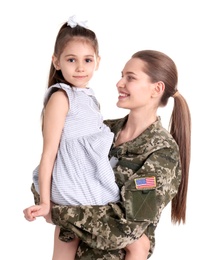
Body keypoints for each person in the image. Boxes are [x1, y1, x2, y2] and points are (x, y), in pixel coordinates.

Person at [30, 49, 191, 259]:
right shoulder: (102, 131)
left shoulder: (162, 153)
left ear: (156, 89)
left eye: (130, 78)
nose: (119, 83)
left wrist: (57, 212)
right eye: (122, 75)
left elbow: (126, 228)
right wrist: (48, 203)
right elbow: (53, 178)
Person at [23, 15, 150, 260]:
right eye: (71, 60)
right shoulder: (61, 97)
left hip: (86, 182)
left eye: (87, 60)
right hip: (76, 188)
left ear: (97, 62)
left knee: (67, 249)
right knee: (138, 244)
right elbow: (49, 153)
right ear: (56, 62)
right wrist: (47, 203)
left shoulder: (89, 97)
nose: (80, 68)